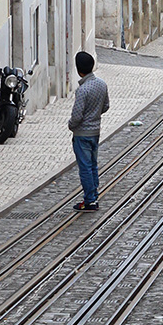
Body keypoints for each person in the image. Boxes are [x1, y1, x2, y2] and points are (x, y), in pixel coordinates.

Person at [68, 51, 110, 211]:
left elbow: (77, 116)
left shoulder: (82, 90)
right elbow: (106, 106)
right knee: (93, 165)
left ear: (79, 70)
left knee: (85, 167)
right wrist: (95, 115)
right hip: (95, 132)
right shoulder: (101, 84)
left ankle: (90, 200)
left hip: (82, 134)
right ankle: (94, 195)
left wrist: (71, 125)